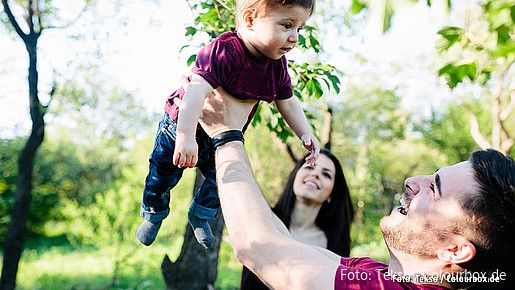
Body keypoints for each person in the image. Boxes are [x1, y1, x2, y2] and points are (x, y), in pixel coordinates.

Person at [197, 87, 515, 290]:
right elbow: (276, 242)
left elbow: (261, 249)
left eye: (434, 189)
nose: (411, 182)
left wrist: (226, 135)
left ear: (455, 251)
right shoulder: (375, 274)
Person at [136, 0, 321, 249]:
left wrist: (305, 132)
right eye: (287, 25)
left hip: (218, 138)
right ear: (250, 20)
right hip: (181, 126)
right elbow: (195, 90)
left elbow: (287, 103)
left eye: (300, 28)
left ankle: (200, 216)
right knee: (161, 174)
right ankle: (153, 212)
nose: (294, 38)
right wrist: (186, 136)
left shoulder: (277, 67)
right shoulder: (225, 50)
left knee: (221, 180)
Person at [241, 149, 355, 289]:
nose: (315, 174)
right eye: (309, 166)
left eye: (326, 174)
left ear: (331, 194)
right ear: (295, 176)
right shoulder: (264, 220)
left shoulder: (336, 242)